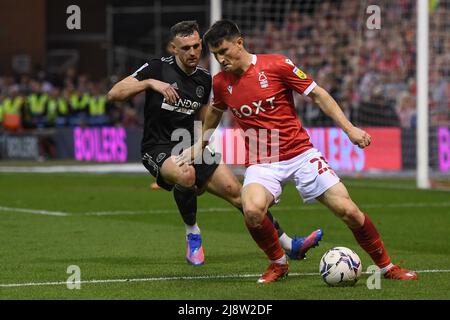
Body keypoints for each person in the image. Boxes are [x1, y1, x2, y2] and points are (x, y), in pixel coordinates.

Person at [178, 19, 417, 283]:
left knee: (348, 210)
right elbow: (215, 113)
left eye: (223, 51)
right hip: (262, 161)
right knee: (253, 210)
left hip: (300, 153)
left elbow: (318, 95)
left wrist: (350, 129)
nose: (220, 59)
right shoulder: (221, 83)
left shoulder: (277, 64)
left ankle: (387, 267)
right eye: (215, 55)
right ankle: (278, 263)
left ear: (239, 43)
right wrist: (199, 145)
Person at [107, 21, 322, 267]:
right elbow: (114, 94)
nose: (193, 52)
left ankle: (288, 245)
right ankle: (193, 234)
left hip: (190, 145)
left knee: (240, 195)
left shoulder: (205, 79)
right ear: (173, 49)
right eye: (185, 48)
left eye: (197, 46)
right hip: (157, 147)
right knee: (186, 174)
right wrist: (150, 83)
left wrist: (202, 145)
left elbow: (206, 116)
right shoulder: (157, 69)